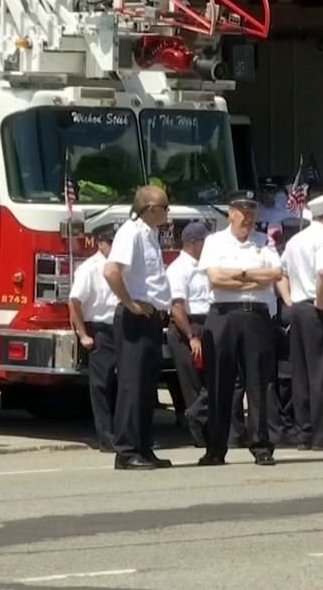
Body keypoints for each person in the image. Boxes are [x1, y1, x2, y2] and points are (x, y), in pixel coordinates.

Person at [197, 190, 284, 466]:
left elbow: (275, 274)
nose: (248, 218)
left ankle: (261, 445)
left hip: (256, 316)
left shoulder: (263, 241)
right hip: (224, 315)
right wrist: (250, 277)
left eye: (252, 212)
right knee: (219, 383)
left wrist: (236, 276)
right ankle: (216, 448)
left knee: (259, 382)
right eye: (243, 212)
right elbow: (215, 279)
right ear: (231, 213)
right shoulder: (214, 241)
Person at [103, 185, 173, 470]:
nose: (169, 212)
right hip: (135, 318)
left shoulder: (150, 234)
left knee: (147, 387)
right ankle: (127, 450)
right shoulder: (130, 232)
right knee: (132, 385)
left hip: (152, 318)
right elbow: (111, 270)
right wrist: (130, 304)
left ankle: (143, 446)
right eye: (165, 207)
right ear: (150, 209)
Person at [281, 191, 323, 451]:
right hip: (317, 309)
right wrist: (321, 301)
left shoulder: (296, 240)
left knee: (302, 373)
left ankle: (305, 431)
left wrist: (289, 300)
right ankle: (322, 433)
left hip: (299, 308)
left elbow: (282, 272)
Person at [69, 223, 120, 452]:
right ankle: (106, 437)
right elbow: (75, 302)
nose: (115, 246)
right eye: (110, 242)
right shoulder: (89, 268)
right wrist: (83, 334)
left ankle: (122, 434)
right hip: (100, 330)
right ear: (100, 243)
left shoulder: (123, 266)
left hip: (122, 329)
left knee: (122, 385)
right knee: (101, 385)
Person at [165, 221, 213, 447]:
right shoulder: (178, 269)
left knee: (213, 380)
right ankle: (200, 434)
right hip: (188, 328)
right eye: (205, 241)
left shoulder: (206, 265)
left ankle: (203, 424)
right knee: (193, 383)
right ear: (193, 243)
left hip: (207, 324)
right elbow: (177, 307)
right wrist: (191, 336)